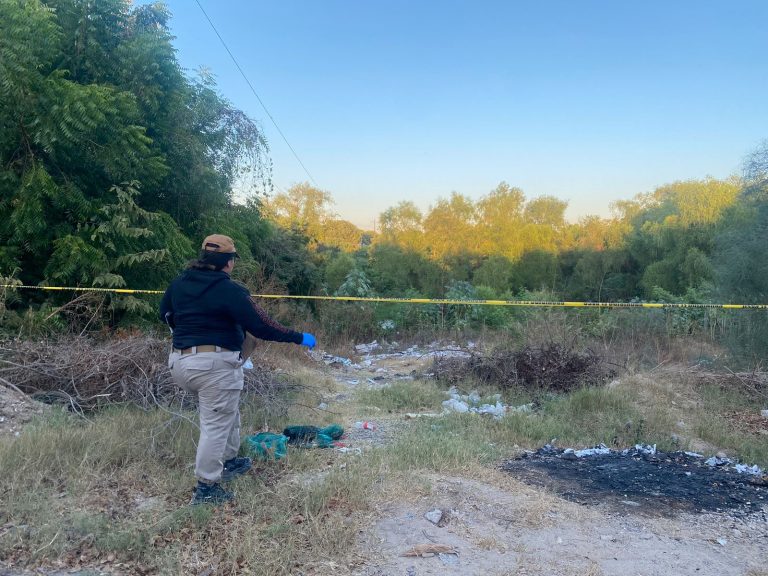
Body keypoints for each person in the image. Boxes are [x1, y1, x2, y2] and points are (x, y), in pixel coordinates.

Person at [160, 234, 316, 505]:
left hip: (180, 362)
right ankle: (206, 488)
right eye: (232, 259)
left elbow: (164, 313)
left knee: (225, 411)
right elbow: (262, 325)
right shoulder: (229, 290)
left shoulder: (179, 283)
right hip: (213, 366)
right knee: (214, 425)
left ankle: (229, 461)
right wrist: (298, 336)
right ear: (228, 262)